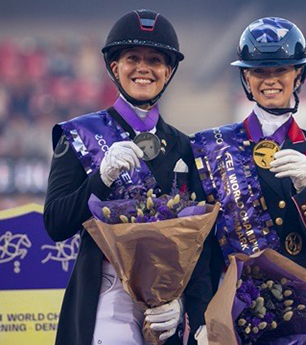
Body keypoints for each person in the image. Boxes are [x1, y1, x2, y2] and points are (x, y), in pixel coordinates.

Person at [44, 9, 213, 345]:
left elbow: (200, 247)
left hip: (164, 304)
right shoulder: (79, 135)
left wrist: (187, 309)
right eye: (132, 58)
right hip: (105, 294)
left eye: (155, 59)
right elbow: (56, 224)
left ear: (168, 71)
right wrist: (100, 178)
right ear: (115, 67)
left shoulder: (186, 147)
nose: (143, 68)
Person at [188, 17, 306, 339]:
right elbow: (199, 247)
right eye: (260, 71)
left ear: (298, 75)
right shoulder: (212, 147)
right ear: (246, 76)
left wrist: (305, 188)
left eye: (280, 70)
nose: (270, 80)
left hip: (297, 309)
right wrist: (199, 315)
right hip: (231, 306)